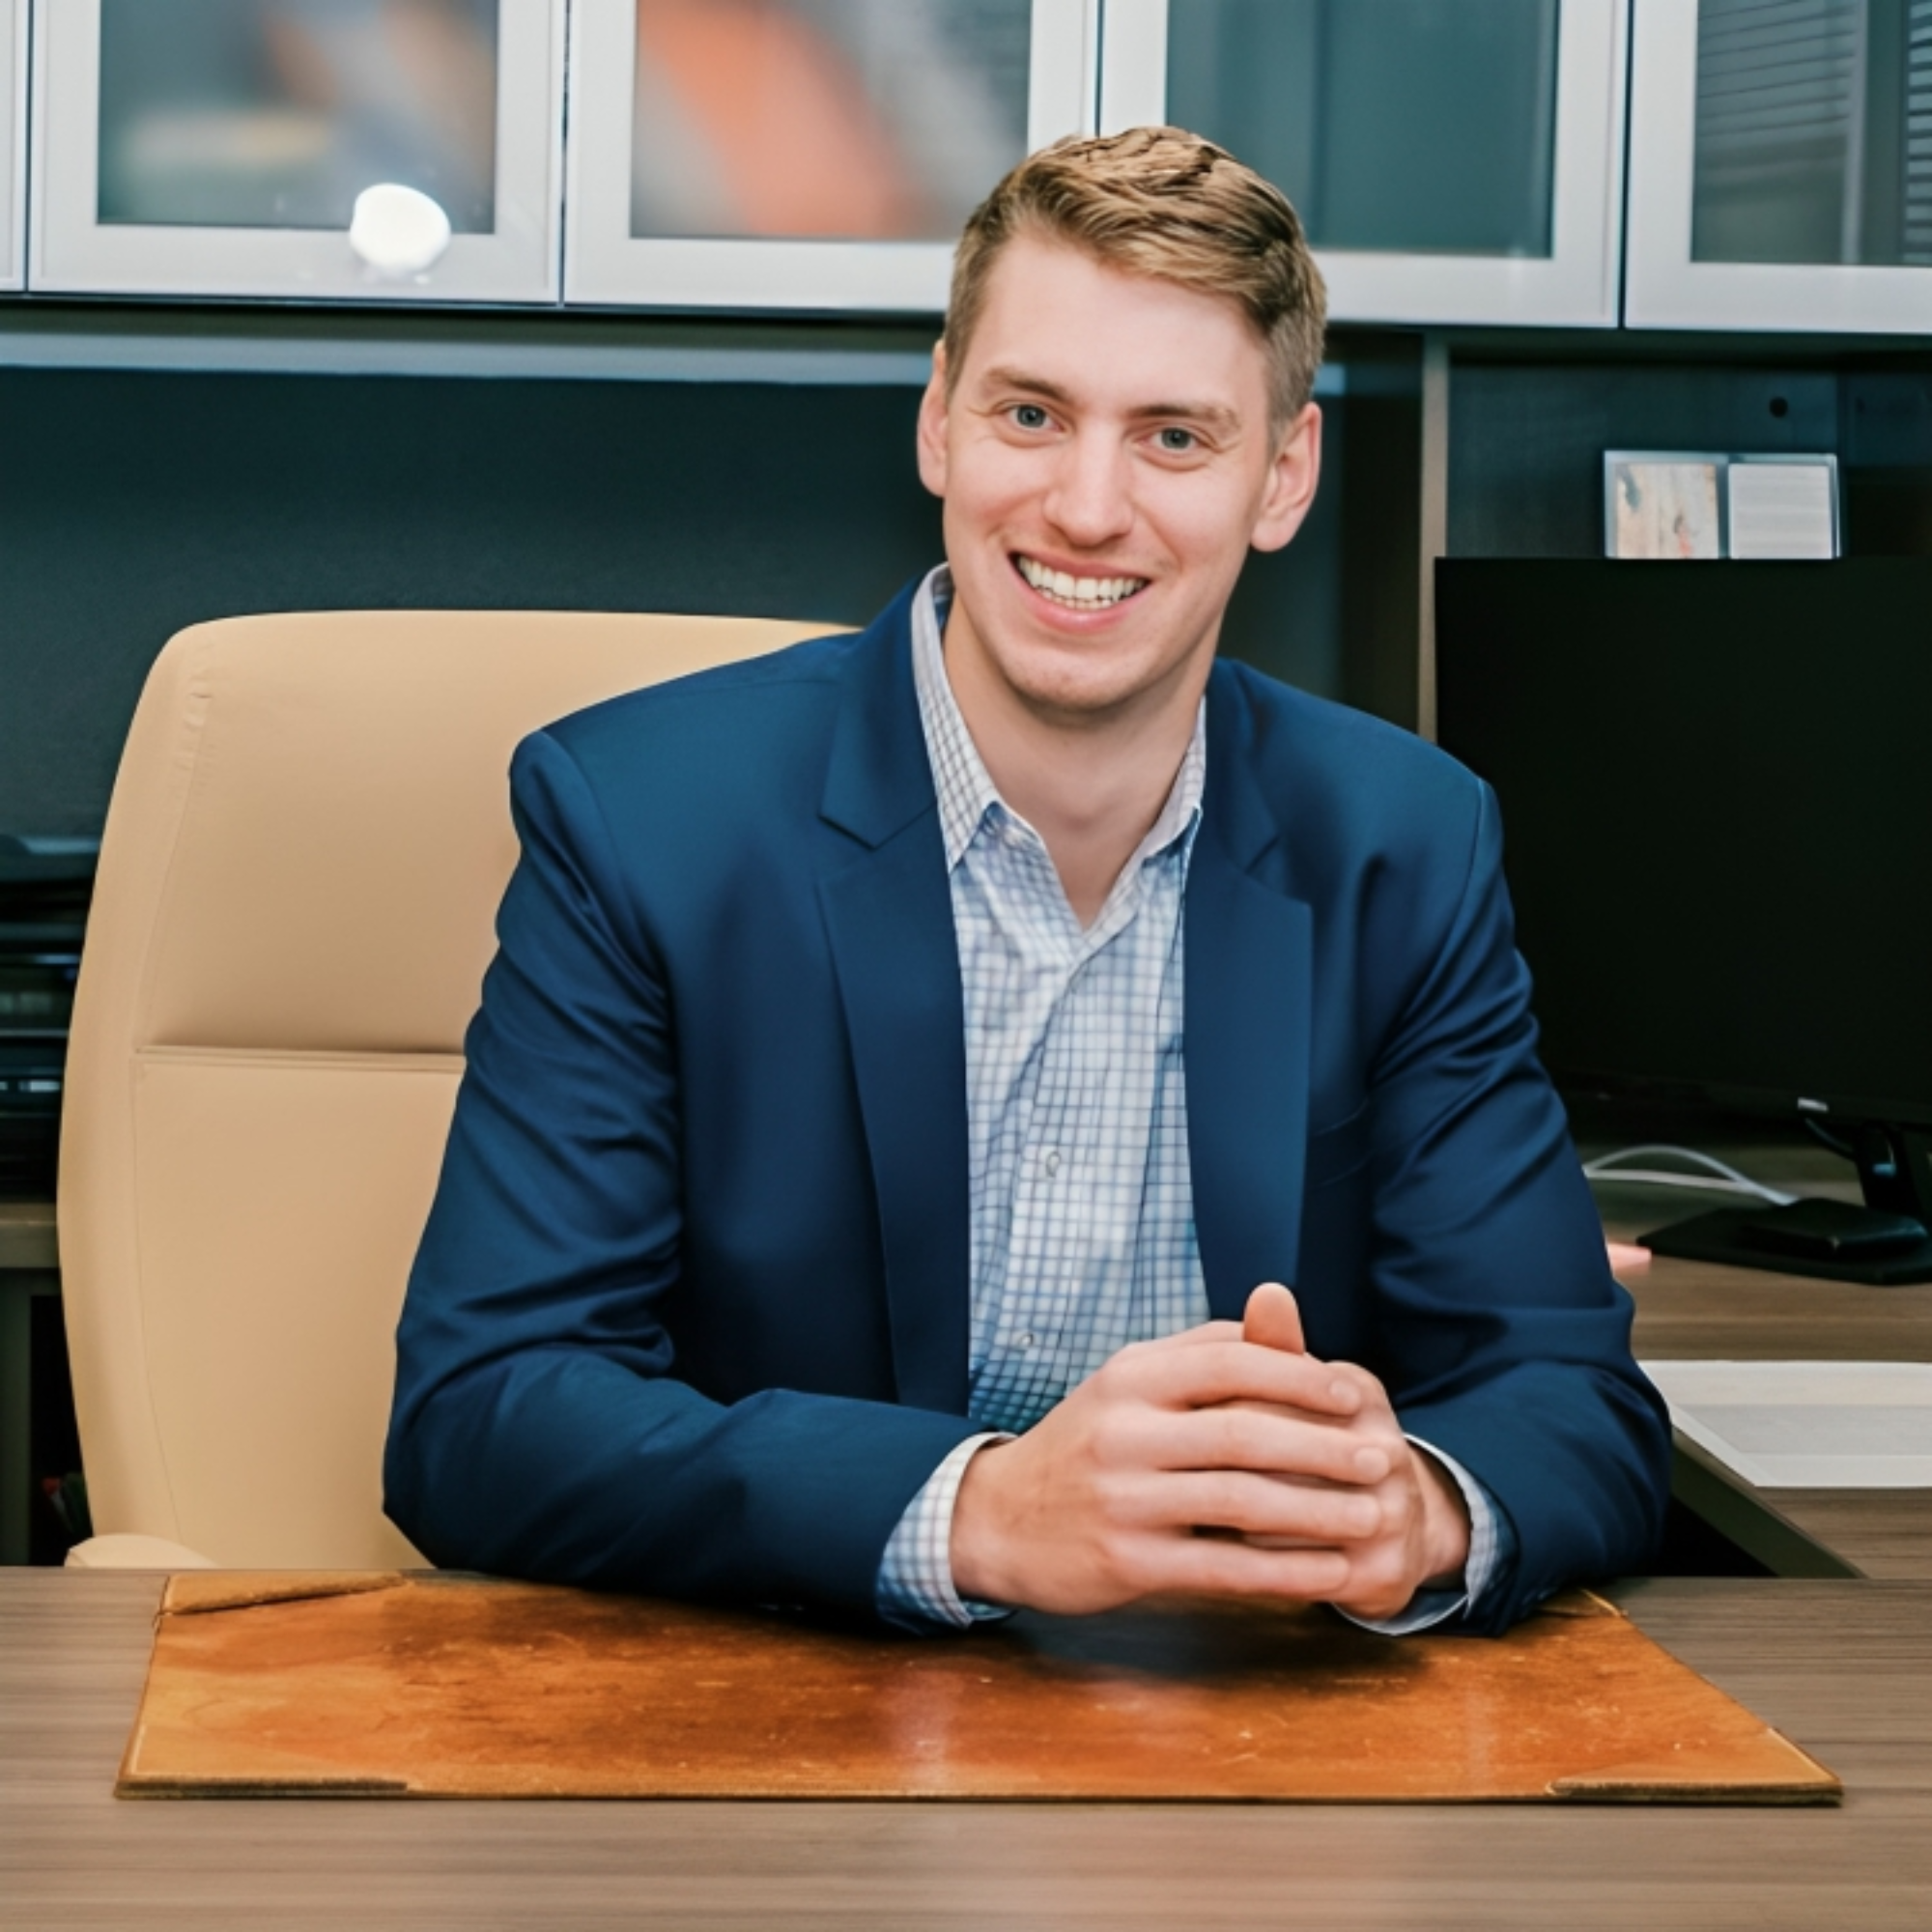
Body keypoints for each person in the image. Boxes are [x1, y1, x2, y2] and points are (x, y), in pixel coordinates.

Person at [384, 128, 1670, 1637]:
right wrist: (983, 1514)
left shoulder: (1403, 844)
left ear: (1283, 476)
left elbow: (1570, 1397)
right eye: (1032, 414)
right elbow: (487, 1408)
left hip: (1243, 1719)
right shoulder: (643, 821)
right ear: (941, 422)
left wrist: (1414, 1508)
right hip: (782, 1696)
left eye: (1174, 437)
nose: (1086, 506)